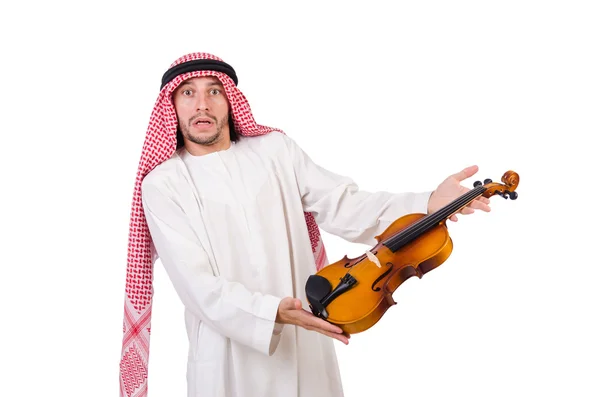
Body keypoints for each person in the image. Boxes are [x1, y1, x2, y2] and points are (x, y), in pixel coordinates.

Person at [118, 52, 491, 397]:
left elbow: (345, 205)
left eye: (214, 91)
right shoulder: (163, 184)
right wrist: (272, 312)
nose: (202, 103)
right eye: (188, 93)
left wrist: (426, 203)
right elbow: (197, 286)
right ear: (172, 105)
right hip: (228, 360)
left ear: (230, 100)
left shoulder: (275, 151)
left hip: (304, 341)